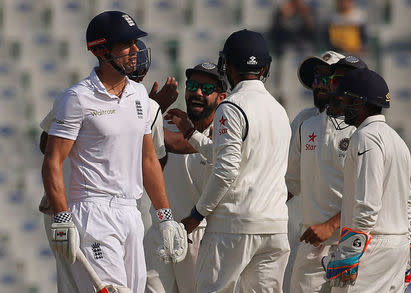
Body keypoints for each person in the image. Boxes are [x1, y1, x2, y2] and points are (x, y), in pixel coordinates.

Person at [41, 11, 187, 292]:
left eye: (135, 42)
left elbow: (148, 160)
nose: (135, 50)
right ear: (101, 49)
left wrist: (164, 217)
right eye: (126, 44)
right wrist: (61, 217)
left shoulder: (139, 95)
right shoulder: (76, 98)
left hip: (131, 214)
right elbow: (52, 161)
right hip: (92, 212)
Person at [176, 29, 291, 292]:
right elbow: (234, 157)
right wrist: (192, 135)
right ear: (264, 68)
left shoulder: (232, 106)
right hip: (274, 227)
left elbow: (226, 170)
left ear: (227, 65)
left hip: (234, 226)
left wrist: (197, 215)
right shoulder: (279, 110)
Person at [322, 68, 411, 292]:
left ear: (360, 103)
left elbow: (367, 204)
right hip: (398, 244)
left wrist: (350, 253)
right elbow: (408, 204)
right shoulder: (397, 140)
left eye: (345, 100)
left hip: (373, 246)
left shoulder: (366, 137)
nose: (341, 107)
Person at [287, 55, 367, 293]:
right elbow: (290, 184)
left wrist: (332, 225)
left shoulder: (363, 128)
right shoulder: (304, 122)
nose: (321, 83)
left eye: (329, 77)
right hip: (309, 239)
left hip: (350, 241)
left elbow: (369, 197)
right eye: (318, 77)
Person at [145, 62, 227, 293]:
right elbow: (150, 157)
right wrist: (150, 117)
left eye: (207, 88)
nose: (198, 93)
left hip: (200, 234)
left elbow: (180, 143)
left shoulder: (226, 134)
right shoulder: (166, 123)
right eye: (193, 86)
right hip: (161, 231)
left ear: (221, 97)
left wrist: (152, 110)